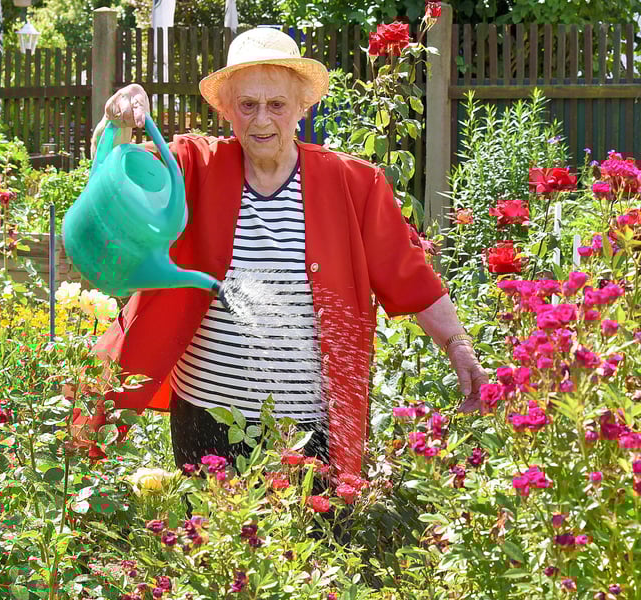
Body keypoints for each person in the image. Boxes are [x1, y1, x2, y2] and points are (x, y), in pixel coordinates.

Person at [74, 27, 487, 479]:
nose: (261, 120)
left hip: (308, 426)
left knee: (310, 544)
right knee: (208, 541)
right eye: (247, 105)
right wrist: (118, 122)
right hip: (205, 415)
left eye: (277, 105)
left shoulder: (353, 184)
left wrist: (458, 346)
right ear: (227, 109)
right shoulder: (196, 164)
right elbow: (119, 178)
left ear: (301, 109)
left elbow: (408, 275)